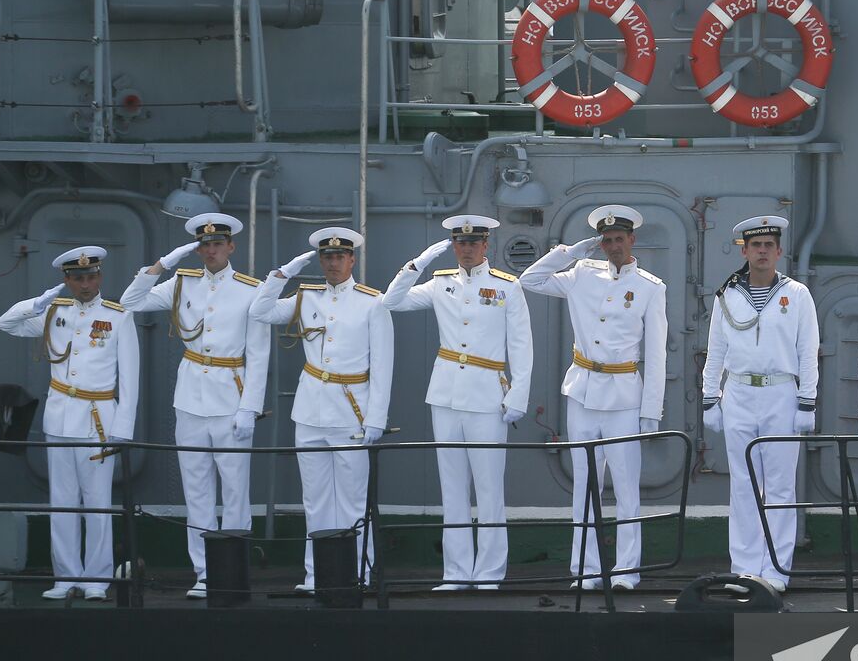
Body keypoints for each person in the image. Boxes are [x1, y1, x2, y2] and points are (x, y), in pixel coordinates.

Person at [119, 213, 270, 600]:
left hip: (231, 397)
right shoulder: (180, 283)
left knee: (235, 489)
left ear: (231, 246)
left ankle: (232, 571)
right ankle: (204, 572)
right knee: (197, 490)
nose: (211, 250)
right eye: (204, 245)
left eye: (217, 244)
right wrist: (162, 265)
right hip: (190, 399)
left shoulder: (252, 290)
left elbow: (259, 354)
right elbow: (130, 301)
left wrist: (250, 408)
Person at [382, 214, 532, 591]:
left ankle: (489, 572)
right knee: (451, 487)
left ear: (485, 245)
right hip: (446, 394)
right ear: (453, 246)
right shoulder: (440, 283)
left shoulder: (506, 287)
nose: (466, 249)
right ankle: (456, 571)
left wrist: (518, 394)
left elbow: (521, 345)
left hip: (487, 396)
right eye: (460, 243)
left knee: (489, 488)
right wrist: (418, 263)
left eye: (473, 242)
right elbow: (392, 301)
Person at [519, 205, 666, 591]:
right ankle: (585, 570)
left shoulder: (650, 287)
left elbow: (657, 354)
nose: (613, 246)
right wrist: (568, 253)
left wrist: (651, 410)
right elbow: (530, 279)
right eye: (607, 240)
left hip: (623, 397)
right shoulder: (581, 273)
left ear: (632, 240)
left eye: (619, 239)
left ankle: (627, 572)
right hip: (582, 392)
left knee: (627, 486)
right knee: (585, 485)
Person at [249, 228, 393, 593]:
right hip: (311, 410)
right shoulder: (305, 296)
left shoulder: (372, 302)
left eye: (339, 256)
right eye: (327, 257)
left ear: (352, 260)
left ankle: (358, 572)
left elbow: (383, 365)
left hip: (351, 411)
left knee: (353, 501)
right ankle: (317, 575)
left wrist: (376, 417)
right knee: (314, 500)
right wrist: (283, 274)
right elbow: (260, 311)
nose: (333, 263)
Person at [0, 246, 138, 601]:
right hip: (60, 418)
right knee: (61, 502)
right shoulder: (53, 312)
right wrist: (36, 304)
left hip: (97, 419)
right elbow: (6, 323)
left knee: (97, 503)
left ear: (99, 277)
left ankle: (96, 580)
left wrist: (123, 428)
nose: (85, 284)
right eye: (77, 279)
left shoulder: (118, 317)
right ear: (66, 280)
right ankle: (65, 577)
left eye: (90, 277)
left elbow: (130, 379)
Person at [700, 215, 819, 594]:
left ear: (779, 251)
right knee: (743, 485)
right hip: (738, 393)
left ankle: (776, 570)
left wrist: (807, 401)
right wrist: (709, 397)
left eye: (769, 245)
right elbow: (716, 349)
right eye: (756, 245)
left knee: (781, 486)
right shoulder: (728, 294)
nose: (762, 251)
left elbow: (808, 351)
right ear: (745, 251)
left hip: (781, 393)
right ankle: (745, 569)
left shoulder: (796, 294)